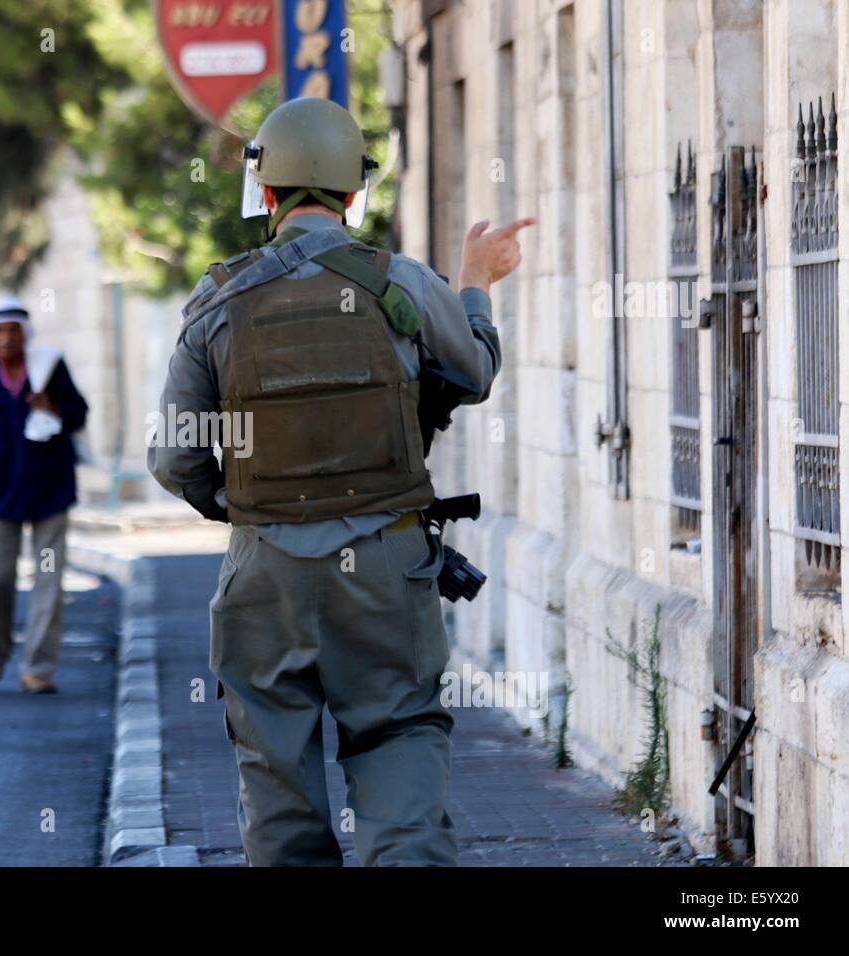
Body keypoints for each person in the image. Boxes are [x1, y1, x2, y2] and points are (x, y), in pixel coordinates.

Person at [147, 96, 533, 865]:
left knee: (278, 796)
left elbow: (176, 457)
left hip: (265, 574)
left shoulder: (217, 300)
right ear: (353, 192)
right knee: (399, 759)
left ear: (266, 192)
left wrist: (239, 507)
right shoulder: (405, 285)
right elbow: (476, 371)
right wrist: (476, 283)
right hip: (386, 568)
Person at [0, 296, 88, 694]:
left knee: (48, 581)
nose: (7, 337)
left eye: (14, 330)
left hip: (50, 491)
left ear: (25, 334)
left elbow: (79, 412)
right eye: (0, 331)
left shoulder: (48, 369)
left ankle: (38, 668)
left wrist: (54, 407)